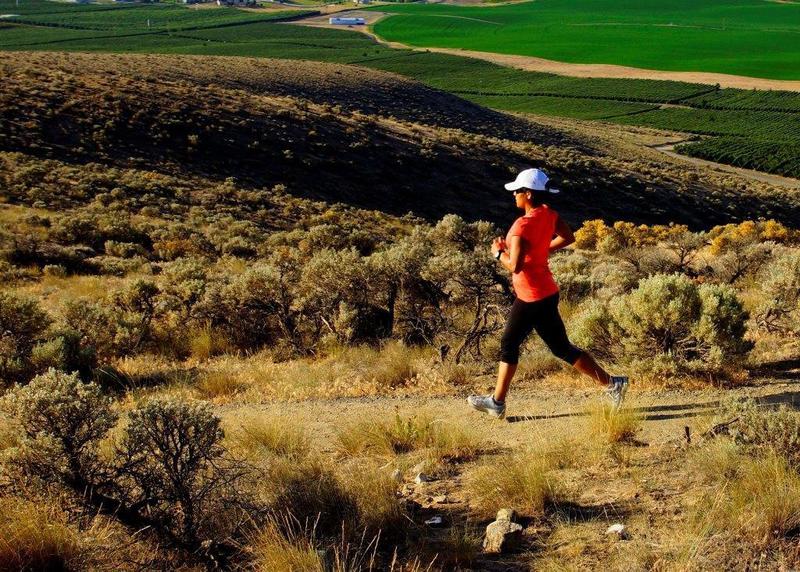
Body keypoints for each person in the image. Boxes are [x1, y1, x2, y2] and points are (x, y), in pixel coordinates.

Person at [467, 168, 628, 420]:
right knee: (561, 348)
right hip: (545, 292)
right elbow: (568, 237)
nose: (514, 196)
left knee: (510, 344)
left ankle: (497, 403)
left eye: (518, 191)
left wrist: (498, 252)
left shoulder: (521, 225)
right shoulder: (549, 214)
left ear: (528, 194)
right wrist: (542, 250)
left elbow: (515, 266)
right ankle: (611, 384)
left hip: (532, 296)